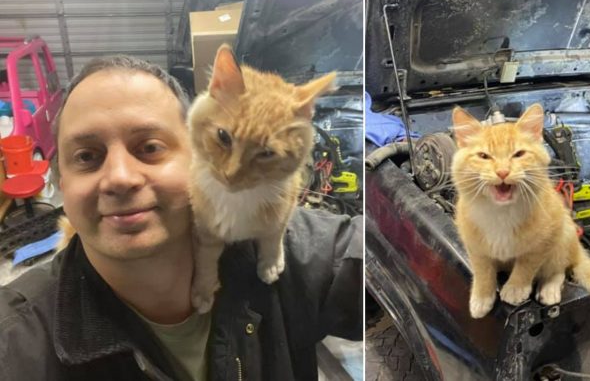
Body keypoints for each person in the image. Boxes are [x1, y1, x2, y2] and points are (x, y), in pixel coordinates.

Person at [0, 56, 362, 381]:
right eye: (86, 156)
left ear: (195, 154)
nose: (120, 178)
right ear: (63, 184)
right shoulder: (17, 342)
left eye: (149, 148)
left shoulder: (297, 249)